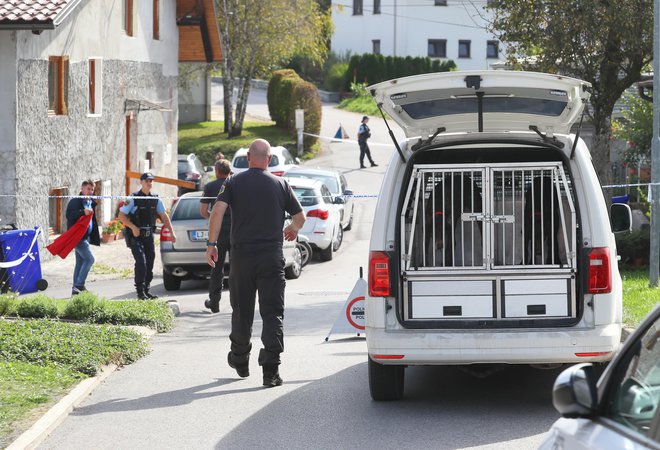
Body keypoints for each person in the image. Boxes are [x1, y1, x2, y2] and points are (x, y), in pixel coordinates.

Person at [205, 139, 305, 388]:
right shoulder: (281, 184)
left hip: (242, 258)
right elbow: (300, 216)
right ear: (269, 159)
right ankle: (271, 370)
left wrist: (212, 244)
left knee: (241, 310)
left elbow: (216, 212)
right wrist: (292, 228)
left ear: (249, 157)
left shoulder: (233, 182)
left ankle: (240, 358)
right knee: (273, 313)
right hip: (271, 257)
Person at [118, 172, 177, 300]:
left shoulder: (156, 199)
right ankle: (140, 292)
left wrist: (172, 233)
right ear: (141, 182)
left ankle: (146, 290)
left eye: (151, 181)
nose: (149, 183)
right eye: (147, 181)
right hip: (136, 236)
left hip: (149, 236)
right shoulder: (133, 198)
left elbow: (164, 217)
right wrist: (133, 227)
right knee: (141, 262)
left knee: (149, 263)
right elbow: (121, 216)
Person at [199, 159, 232, 313]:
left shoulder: (211, 186)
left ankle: (214, 302)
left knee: (216, 267)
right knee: (237, 266)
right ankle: (237, 301)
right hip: (235, 229)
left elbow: (203, 211)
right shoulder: (235, 183)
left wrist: (214, 217)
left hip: (218, 231)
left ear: (217, 171)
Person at [65, 180, 100, 296]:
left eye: (92, 189)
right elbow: (69, 215)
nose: (90, 191)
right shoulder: (75, 201)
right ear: (82, 189)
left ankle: (75, 290)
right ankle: (79, 285)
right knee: (90, 259)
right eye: (88, 189)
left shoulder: (90, 201)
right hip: (77, 237)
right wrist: (82, 212)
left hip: (86, 237)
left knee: (80, 262)